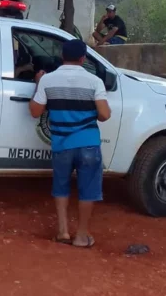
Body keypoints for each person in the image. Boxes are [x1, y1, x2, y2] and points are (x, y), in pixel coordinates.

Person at [29, 40, 111, 248]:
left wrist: (38, 83)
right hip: (88, 144)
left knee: (61, 186)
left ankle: (63, 231)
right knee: (88, 189)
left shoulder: (48, 80)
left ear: (62, 56)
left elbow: (35, 112)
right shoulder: (94, 82)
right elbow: (104, 114)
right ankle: (82, 236)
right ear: (83, 58)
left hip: (61, 145)